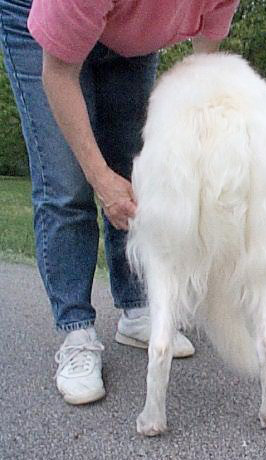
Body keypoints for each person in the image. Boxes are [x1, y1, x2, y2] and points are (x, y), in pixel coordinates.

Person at [0, 0, 239, 405]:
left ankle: (136, 308)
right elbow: (58, 74)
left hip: (128, 35)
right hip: (42, 21)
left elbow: (204, 76)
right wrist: (99, 178)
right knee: (67, 185)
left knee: (133, 172)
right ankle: (76, 333)